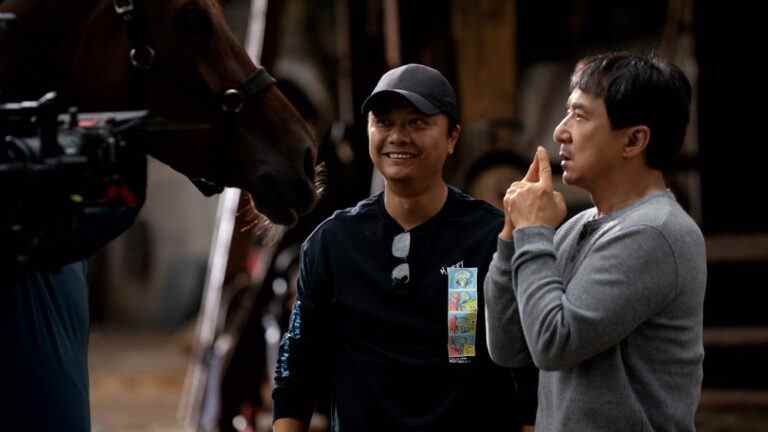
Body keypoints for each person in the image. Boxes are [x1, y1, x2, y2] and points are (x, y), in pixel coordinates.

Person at [272, 63, 537, 431]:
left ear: (452, 137)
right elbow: (295, 372)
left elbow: (525, 375)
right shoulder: (332, 243)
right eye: (384, 122)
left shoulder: (490, 238)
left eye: (417, 122)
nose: (398, 136)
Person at [485, 51, 706, 432]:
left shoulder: (656, 231)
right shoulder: (577, 227)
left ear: (634, 140)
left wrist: (533, 232)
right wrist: (511, 235)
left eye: (580, 115)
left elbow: (553, 343)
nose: (560, 132)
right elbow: (509, 348)